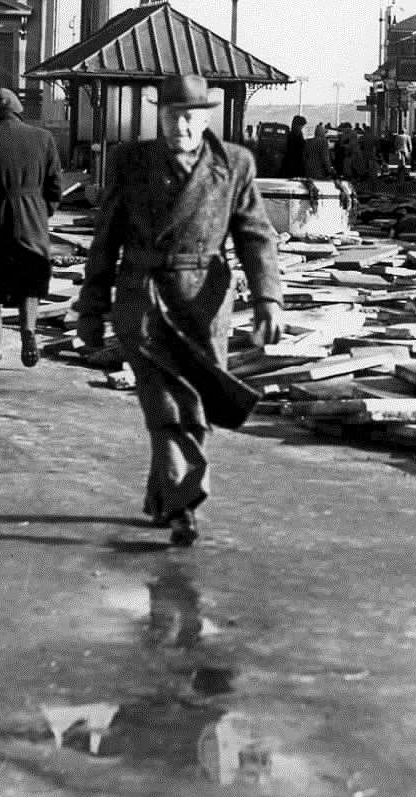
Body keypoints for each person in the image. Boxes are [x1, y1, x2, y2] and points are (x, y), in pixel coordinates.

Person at [76, 74, 284, 547]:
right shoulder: (131, 162)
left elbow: (255, 236)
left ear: (205, 117)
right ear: (159, 116)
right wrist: (91, 309)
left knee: (193, 402)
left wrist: (268, 297)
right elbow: (105, 239)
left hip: (203, 300)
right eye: (172, 116)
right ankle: (185, 504)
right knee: (167, 403)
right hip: (142, 295)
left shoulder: (235, 163)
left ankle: (163, 496)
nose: (181, 126)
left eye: (190, 116)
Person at [0, 88, 63, 367]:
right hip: (33, 216)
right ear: (18, 110)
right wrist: (42, 212)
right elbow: (55, 185)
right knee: (31, 278)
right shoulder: (44, 138)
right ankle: (28, 330)